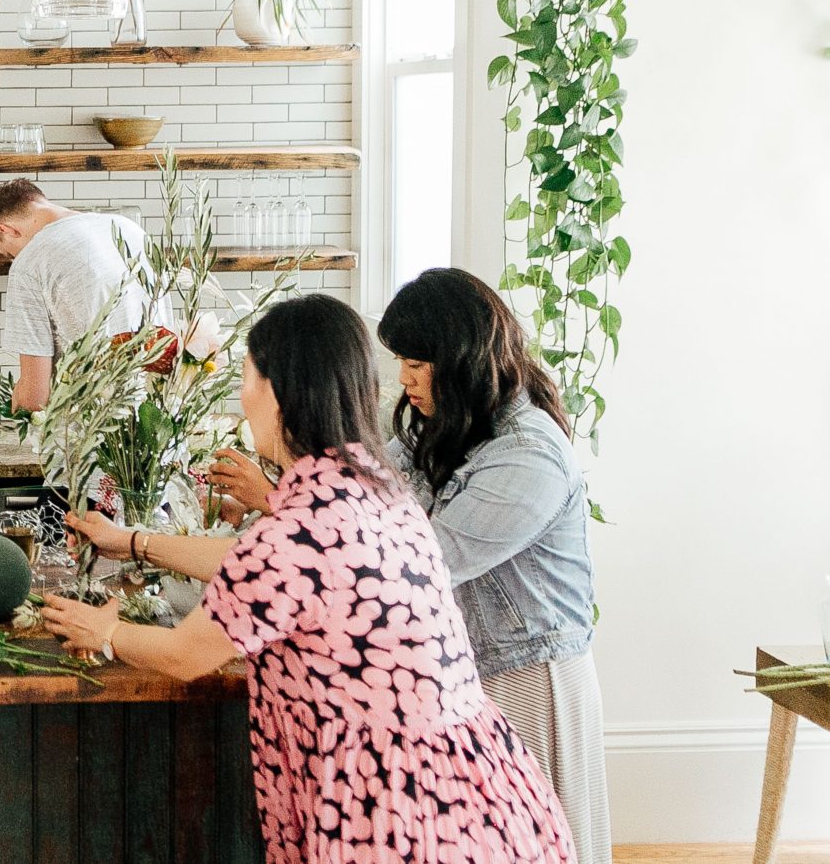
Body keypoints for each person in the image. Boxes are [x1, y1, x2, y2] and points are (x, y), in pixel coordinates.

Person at [43, 293, 573, 864]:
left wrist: (105, 630)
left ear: (277, 393)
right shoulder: (370, 491)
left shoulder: (303, 528)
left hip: (390, 808)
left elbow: (186, 654)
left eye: (246, 379)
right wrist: (133, 543)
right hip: (466, 789)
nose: (242, 399)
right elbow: (267, 571)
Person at [211, 268, 608, 863]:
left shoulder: (530, 455)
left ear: (465, 358)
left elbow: (409, 559)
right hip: (460, 676)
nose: (405, 379)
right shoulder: (440, 424)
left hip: (528, 675)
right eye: (399, 361)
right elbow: (363, 502)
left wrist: (274, 503)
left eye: (419, 364)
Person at [0, 178, 169, 415]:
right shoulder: (129, 228)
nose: (14, 259)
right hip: (162, 415)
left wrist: (17, 399)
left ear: (6, 230)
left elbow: (34, 399)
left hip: (93, 428)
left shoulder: (30, 261)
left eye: (9, 253)